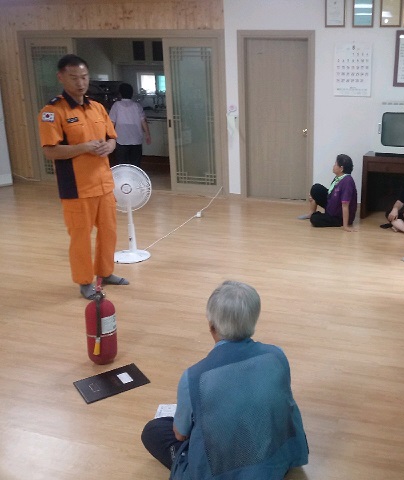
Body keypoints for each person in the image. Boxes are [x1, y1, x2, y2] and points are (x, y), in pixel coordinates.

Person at [141, 280, 309, 479]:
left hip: (222, 470)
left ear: (211, 326)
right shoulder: (277, 355)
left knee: (154, 430)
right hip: (276, 463)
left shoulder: (193, 377)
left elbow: (180, 434)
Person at [38, 54, 128, 299]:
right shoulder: (52, 111)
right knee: (80, 237)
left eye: (84, 77)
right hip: (77, 188)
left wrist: (109, 146)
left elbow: (112, 138)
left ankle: (105, 272)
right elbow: (50, 151)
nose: (80, 83)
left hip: (103, 183)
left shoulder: (97, 107)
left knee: (109, 231)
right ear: (61, 77)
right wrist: (84, 147)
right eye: (74, 78)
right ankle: (84, 281)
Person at [298, 154, 358, 231]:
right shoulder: (339, 177)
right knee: (316, 188)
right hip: (333, 206)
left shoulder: (347, 182)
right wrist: (314, 197)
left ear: (341, 168)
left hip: (338, 216)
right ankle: (311, 213)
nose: (333, 166)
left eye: (335, 164)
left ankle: (317, 216)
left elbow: (345, 205)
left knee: (315, 219)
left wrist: (345, 226)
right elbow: (332, 193)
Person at [108, 82, 151, 168]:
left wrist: (110, 137)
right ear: (131, 93)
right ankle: (134, 177)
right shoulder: (137, 106)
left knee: (122, 165)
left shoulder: (116, 106)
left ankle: (124, 177)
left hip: (121, 140)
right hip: (136, 140)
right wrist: (148, 135)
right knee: (135, 165)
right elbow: (143, 121)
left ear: (120, 94)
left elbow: (111, 123)